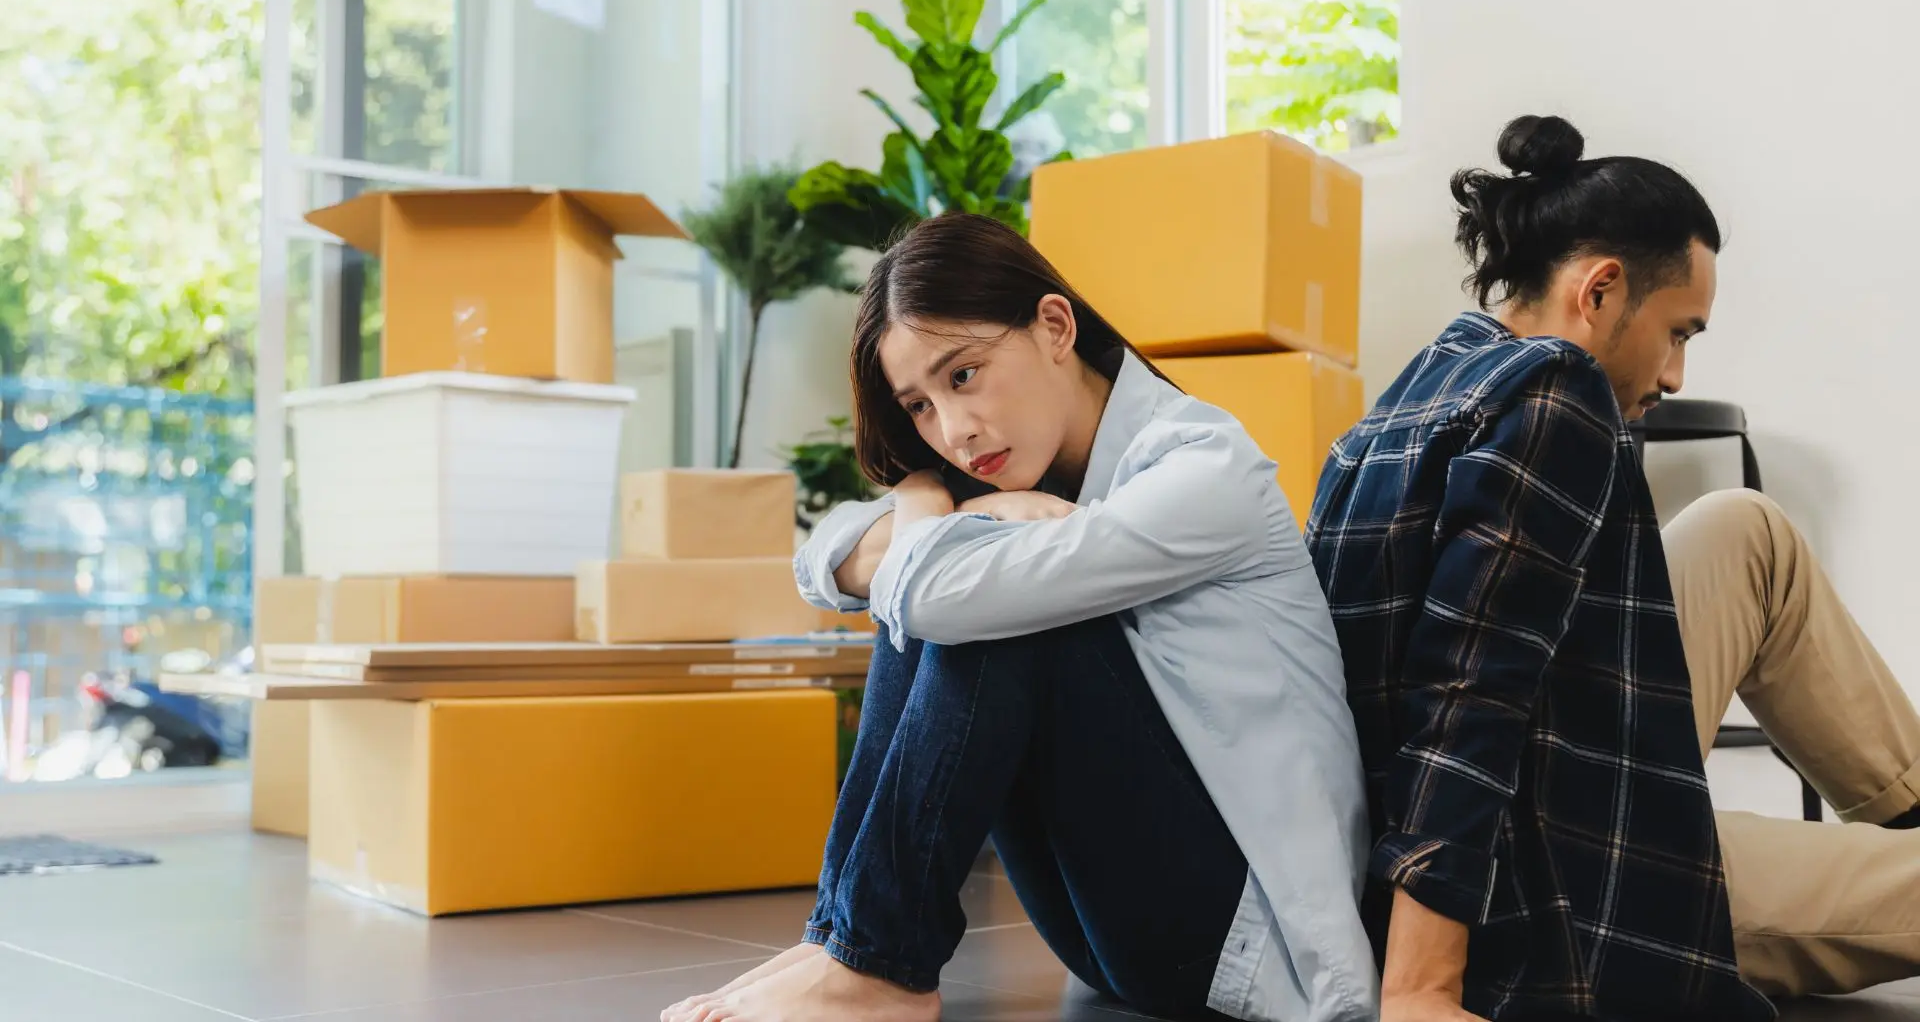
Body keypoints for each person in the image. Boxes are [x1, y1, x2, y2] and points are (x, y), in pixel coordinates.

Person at [661, 212, 1379, 1022]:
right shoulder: (1016, 480)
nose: (953, 430)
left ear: (1053, 325)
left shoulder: (1203, 465)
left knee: (989, 601)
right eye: (920, 407)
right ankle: (844, 944)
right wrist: (929, 493)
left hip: (1243, 937)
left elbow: (923, 589)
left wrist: (937, 514)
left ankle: (879, 967)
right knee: (966, 577)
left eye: (961, 376)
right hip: (1102, 930)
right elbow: (821, 563)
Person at [1307, 113, 1920, 1022]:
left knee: (1743, 529)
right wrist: (1422, 988)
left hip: (1552, 782)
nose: (1675, 374)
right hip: (1556, 889)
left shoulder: (1428, 381)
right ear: (1599, 290)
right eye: (1680, 332)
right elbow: (1467, 702)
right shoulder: (1558, 389)